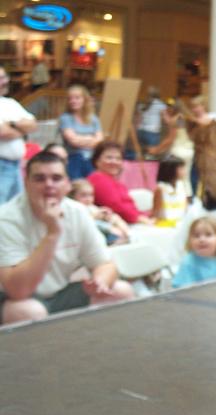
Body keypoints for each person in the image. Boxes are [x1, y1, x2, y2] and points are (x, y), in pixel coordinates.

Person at [0, 151, 134, 326]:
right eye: (39, 179)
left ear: (67, 184)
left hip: (59, 294)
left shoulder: (78, 212)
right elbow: (18, 290)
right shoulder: (6, 218)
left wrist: (100, 282)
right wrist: (52, 234)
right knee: (29, 311)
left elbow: (105, 265)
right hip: (14, 299)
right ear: (26, 183)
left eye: (56, 179)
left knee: (120, 291)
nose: (49, 185)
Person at [87, 141, 155, 225]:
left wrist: (144, 216)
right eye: (109, 158)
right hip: (119, 226)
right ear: (97, 161)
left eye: (118, 158)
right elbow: (117, 207)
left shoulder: (111, 180)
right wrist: (140, 218)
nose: (114, 162)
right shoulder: (98, 179)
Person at [0, 64, 37, 204]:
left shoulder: (10, 103)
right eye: (0, 78)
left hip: (16, 165)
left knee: (16, 208)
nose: (5, 81)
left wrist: (11, 124)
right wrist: (22, 129)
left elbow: (33, 125)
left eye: (4, 77)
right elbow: (3, 132)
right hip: (1, 166)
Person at [172, 216, 216, 289]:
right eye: (196, 236)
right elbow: (181, 290)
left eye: (208, 235)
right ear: (190, 241)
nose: (202, 239)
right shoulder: (188, 262)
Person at [59, 84, 104, 179]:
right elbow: (73, 141)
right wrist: (91, 138)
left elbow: (100, 141)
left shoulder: (94, 119)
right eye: (70, 98)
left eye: (77, 98)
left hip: (92, 158)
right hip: (73, 158)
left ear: (84, 99)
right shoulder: (65, 118)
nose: (73, 101)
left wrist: (81, 139)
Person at [69, 178, 130, 245]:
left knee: (115, 217)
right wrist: (96, 216)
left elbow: (99, 215)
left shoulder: (91, 207)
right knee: (98, 224)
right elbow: (84, 221)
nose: (88, 198)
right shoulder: (75, 208)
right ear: (73, 196)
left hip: (104, 227)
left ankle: (127, 233)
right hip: (93, 233)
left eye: (91, 195)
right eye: (84, 195)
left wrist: (105, 214)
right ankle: (115, 238)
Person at [152, 155, 188, 227]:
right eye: (181, 168)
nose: (185, 171)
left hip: (180, 224)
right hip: (164, 226)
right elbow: (156, 213)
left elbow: (185, 209)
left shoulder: (181, 186)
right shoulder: (160, 189)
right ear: (170, 170)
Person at [136, 86, 167, 152]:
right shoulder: (160, 104)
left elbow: (138, 119)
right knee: (151, 154)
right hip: (152, 132)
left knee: (140, 152)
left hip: (140, 131)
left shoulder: (142, 104)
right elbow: (166, 119)